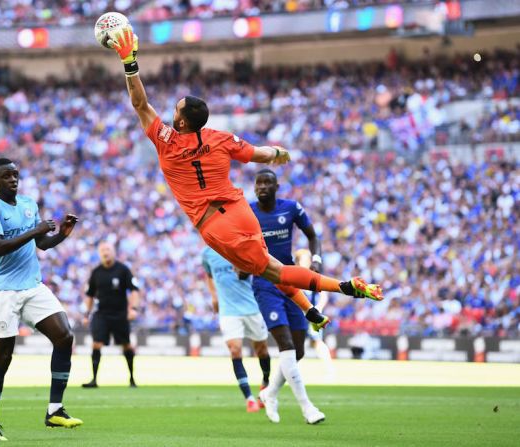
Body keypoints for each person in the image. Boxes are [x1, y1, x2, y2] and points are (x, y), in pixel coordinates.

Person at [106, 28, 383, 328]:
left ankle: (343, 286)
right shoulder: (221, 138)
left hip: (215, 224)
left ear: (182, 121)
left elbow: (140, 104)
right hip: (240, 210)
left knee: (274, 271)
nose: (171, 110)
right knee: (268, 267)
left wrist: (129, 62)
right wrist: (278, 152)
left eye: (175, 109)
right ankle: (311, 312)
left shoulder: (166, 141)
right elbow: (261, 155)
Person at [0, 158, 82, 441]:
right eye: (6, 176)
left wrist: (61, 234)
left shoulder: (28, 203)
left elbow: (41, 244)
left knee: (65, 337)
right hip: (1, 291)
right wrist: (35, 231)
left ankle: (55, 410)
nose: (13, 179)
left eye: (15, 175)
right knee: (3, 357)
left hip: (31, 286)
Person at [250, 168, 326, 425]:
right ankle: (307, 408)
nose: (262, 187)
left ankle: (269, 393)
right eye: (258, 183)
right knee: (286, 346)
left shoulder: (291, 208)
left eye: (267, 183)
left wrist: (315, 259)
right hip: (264, 283)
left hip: (290, 280)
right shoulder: (247, 211)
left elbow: (313, 235)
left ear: (276, 186)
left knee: (299, 352)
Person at [202, 246, 271, 413]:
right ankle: (249, 399)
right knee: (235, 350)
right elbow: (209, 275)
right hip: (228, 311)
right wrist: (213, 296)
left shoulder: (238, 248)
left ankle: (265, 383)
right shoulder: (207, 254)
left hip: (252, 308)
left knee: (261, 350)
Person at [82, 242, 140, 388]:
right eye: (102, 250)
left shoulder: (123, 270)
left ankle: (132, 379)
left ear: (113, 252)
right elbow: (89, 295)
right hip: (101, 314)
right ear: (99, 253)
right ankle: (94, 379)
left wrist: (133, 308)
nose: (105, 252)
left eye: (107, 249)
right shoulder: (96, 272)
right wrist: (86, 314)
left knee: (126, 345)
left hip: (120, 315)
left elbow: (134, 290)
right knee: (96, 344)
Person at [294, 249, 336, 383]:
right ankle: (294, 372)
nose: (306, 263)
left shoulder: (312, 275)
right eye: (304, 260)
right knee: (298, 343)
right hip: (298, 315)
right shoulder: (294, 275)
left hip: (311, 314)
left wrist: (318, 308)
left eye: (308, 260)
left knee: (317, 342)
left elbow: (323, 294)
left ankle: (329, 370)